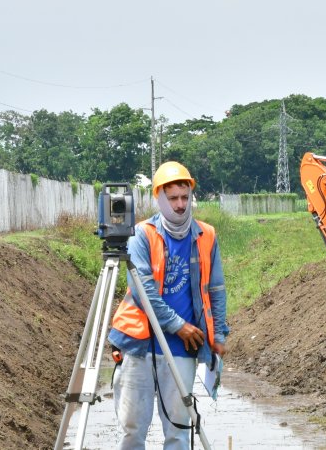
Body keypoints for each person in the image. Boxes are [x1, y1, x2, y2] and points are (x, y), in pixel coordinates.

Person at [108, 161, 229, 450]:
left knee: (178, 430)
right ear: (159, 198)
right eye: (173, 198)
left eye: (185, 198)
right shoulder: (140, 234)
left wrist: (219, 335)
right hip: (139, 345)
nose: (179, 205)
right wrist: (178, 325)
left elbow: (216, 289)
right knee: (132, 429)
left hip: (182, 350)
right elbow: (143, 290)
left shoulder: (206, 235)